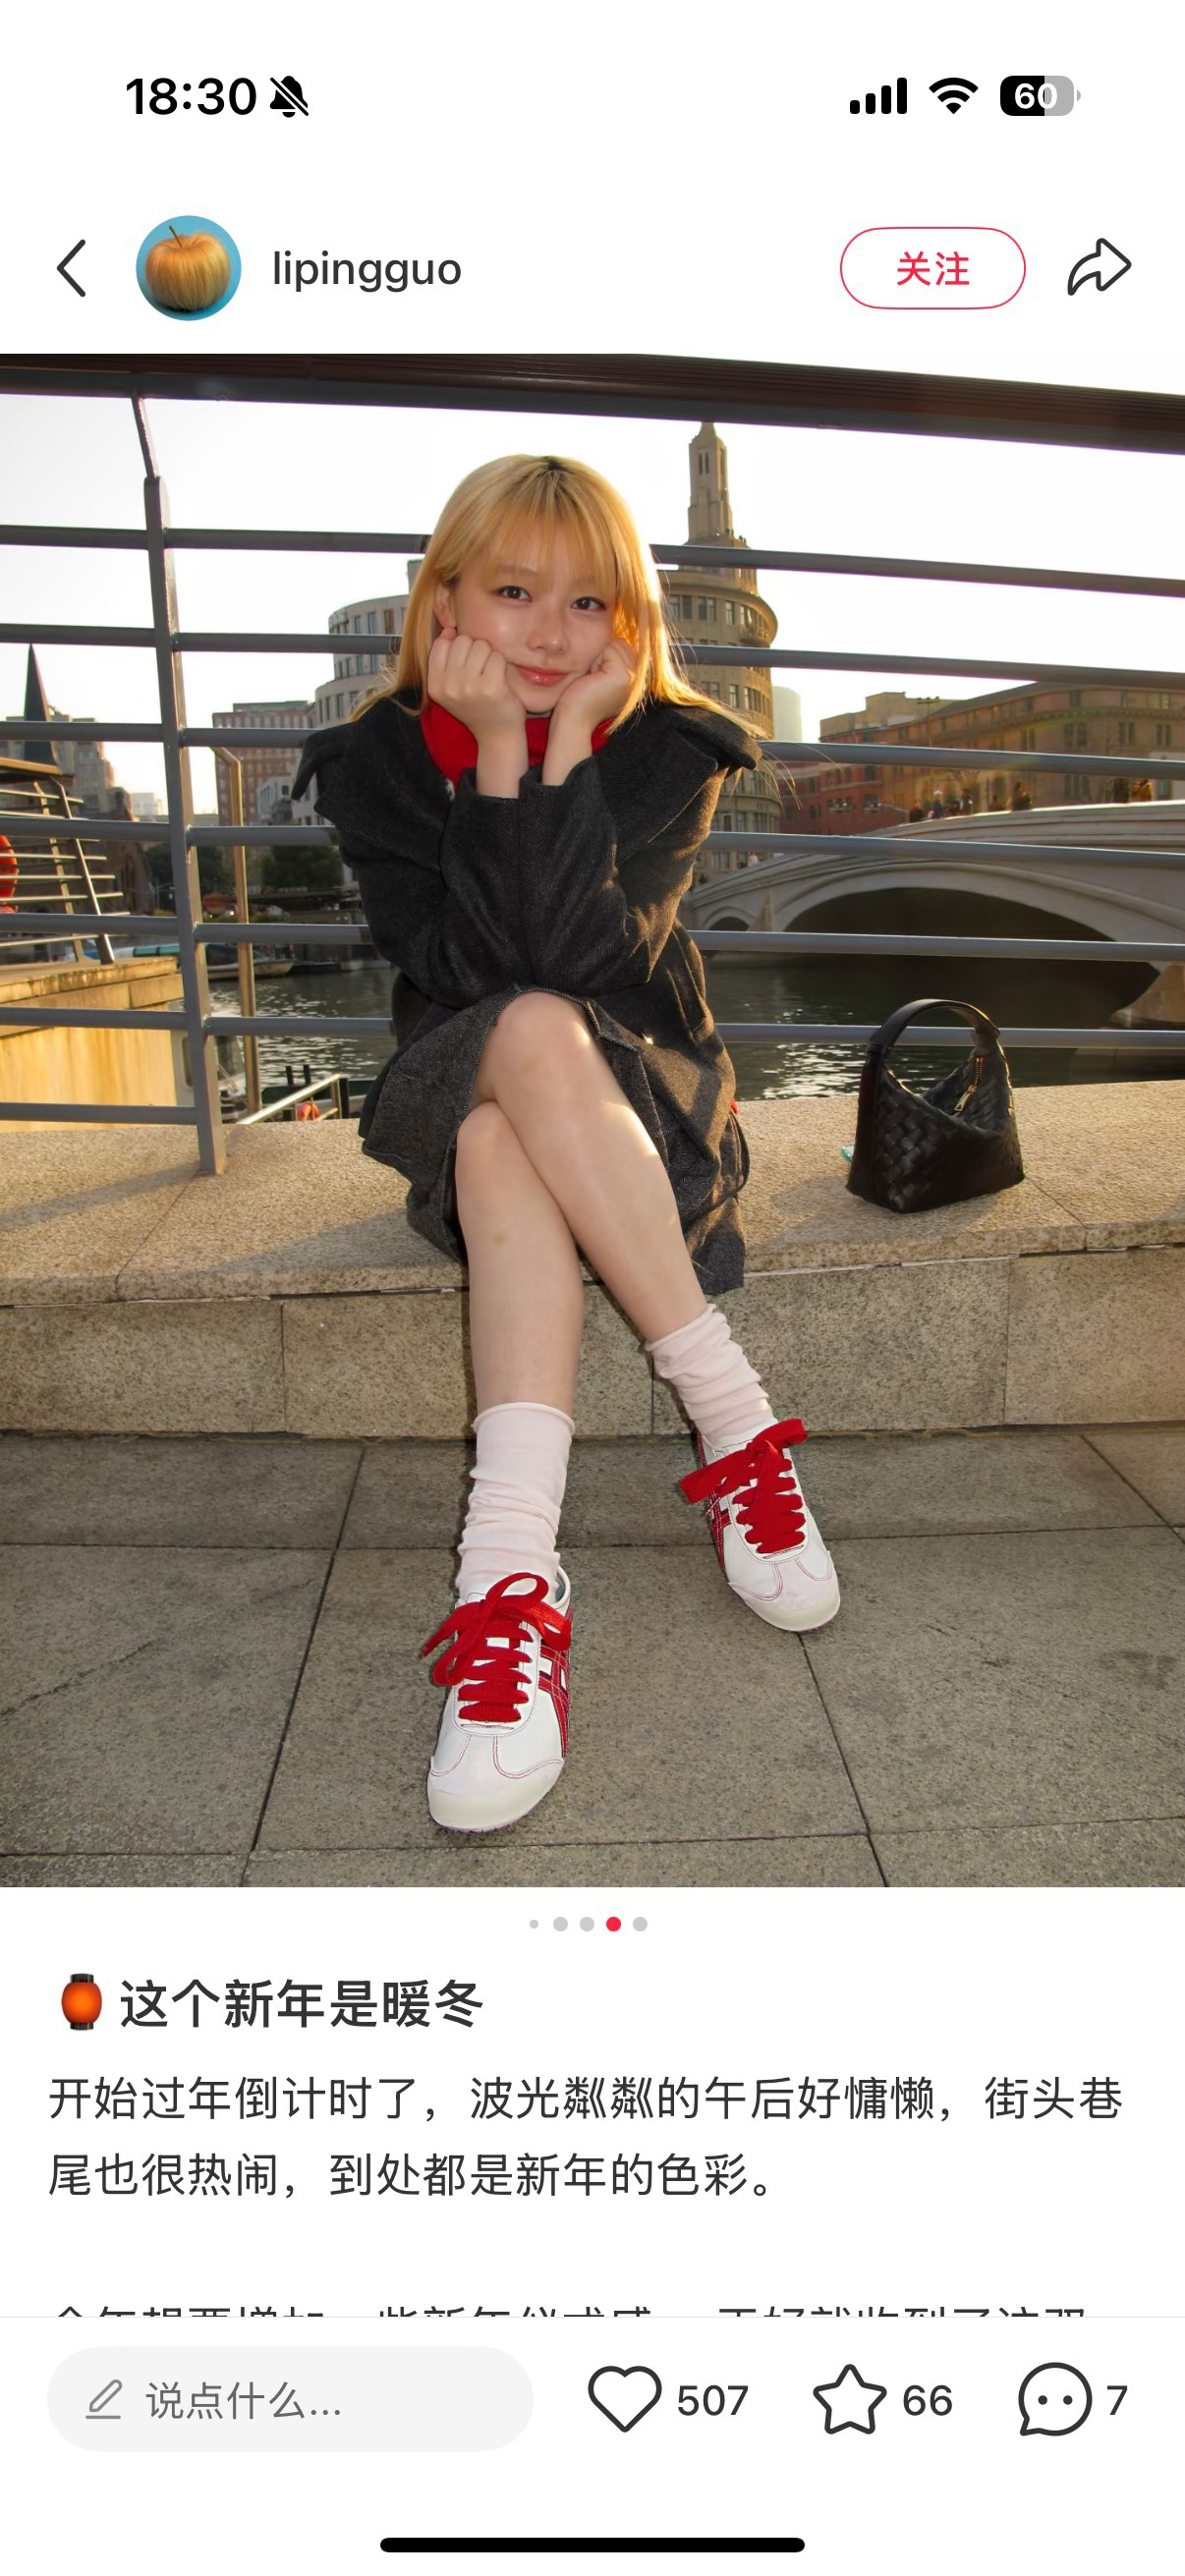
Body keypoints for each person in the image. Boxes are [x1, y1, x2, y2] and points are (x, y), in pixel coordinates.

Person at [293, 454, 839, 1836]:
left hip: (646, 1108)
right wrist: (497, 755)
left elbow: (591, 962)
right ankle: (733, 1424)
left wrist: (567, 753)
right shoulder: (373, 766)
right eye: (514, 591)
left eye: (587, 600)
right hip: (461, 1071)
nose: (548, 633)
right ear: (444, 604)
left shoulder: (671, 748)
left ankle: (507, 1584)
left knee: (510, 1121)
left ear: (628, 619)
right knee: (512, 1053)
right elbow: (480, 974)